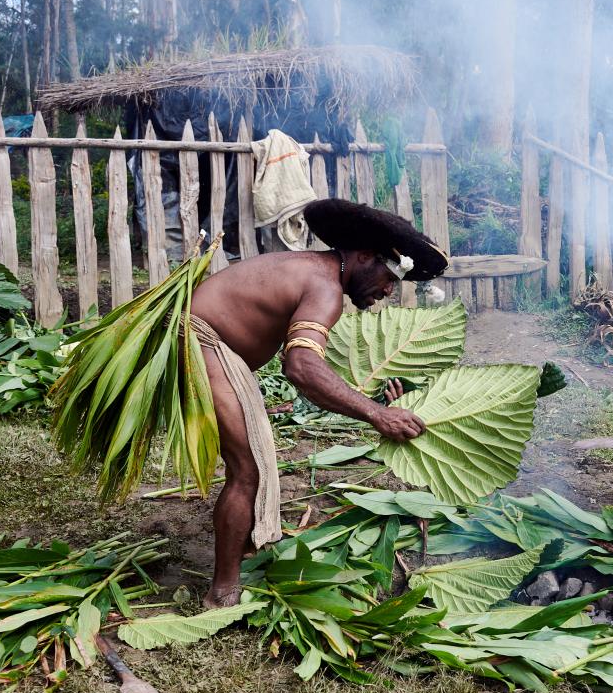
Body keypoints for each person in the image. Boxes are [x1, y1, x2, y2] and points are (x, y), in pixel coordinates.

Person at [189, 198, 449, 607]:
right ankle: (222, 593)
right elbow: (302, 368)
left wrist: (375, 398)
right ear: (364, 256)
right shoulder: (325, 287)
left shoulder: (314, 271)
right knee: (249, 471)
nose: (388, 290)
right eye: (390, 275)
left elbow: (311, 368)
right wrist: (377, 415)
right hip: (201, 345)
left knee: (250, 466)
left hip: (207, 346)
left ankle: (237, 556)